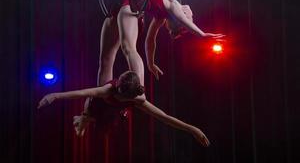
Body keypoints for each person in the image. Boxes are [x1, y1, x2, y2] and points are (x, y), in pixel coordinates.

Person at [75, 0, 225, 135]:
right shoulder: (173, 3)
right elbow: (181, 21)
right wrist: (201, 34)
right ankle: (111, 100)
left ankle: (112, 99)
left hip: (128, 7)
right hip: (127, 4)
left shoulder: (162, 15)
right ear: (183, 17)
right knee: (108, 57)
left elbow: (150, 40)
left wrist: (150, 63)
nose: (170, 30)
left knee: (123, 51)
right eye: (176, 29)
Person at [38, 71, 210, 147]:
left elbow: (164, 117)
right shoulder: (107, 90)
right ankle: (83, 118)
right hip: (96, 106)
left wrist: (192, 129)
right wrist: (54, 95)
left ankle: (83, 121)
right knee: (90, 109)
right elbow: (82, 93)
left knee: (106, 129)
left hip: (113, 113)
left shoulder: (138, 101)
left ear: (128, 98)